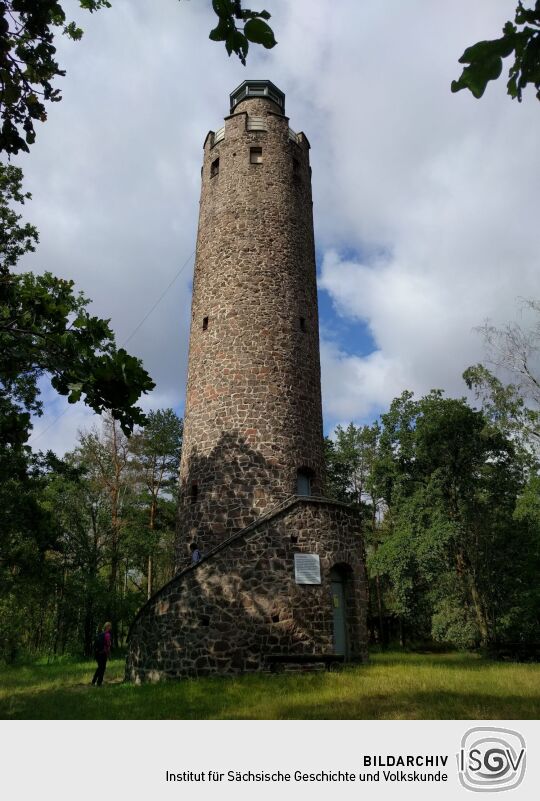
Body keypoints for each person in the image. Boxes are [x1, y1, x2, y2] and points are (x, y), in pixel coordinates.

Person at [91, 621, 112, 686]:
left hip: (97, 653)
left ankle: (93, 681)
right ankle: (99, 683)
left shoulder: (100, 634)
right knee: (102, 668)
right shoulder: (107, 635)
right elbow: (108, 646)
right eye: (110, 626)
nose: (110, 627)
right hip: (103, 653)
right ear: (108, 627)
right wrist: (109, 655)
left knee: (100, 667)